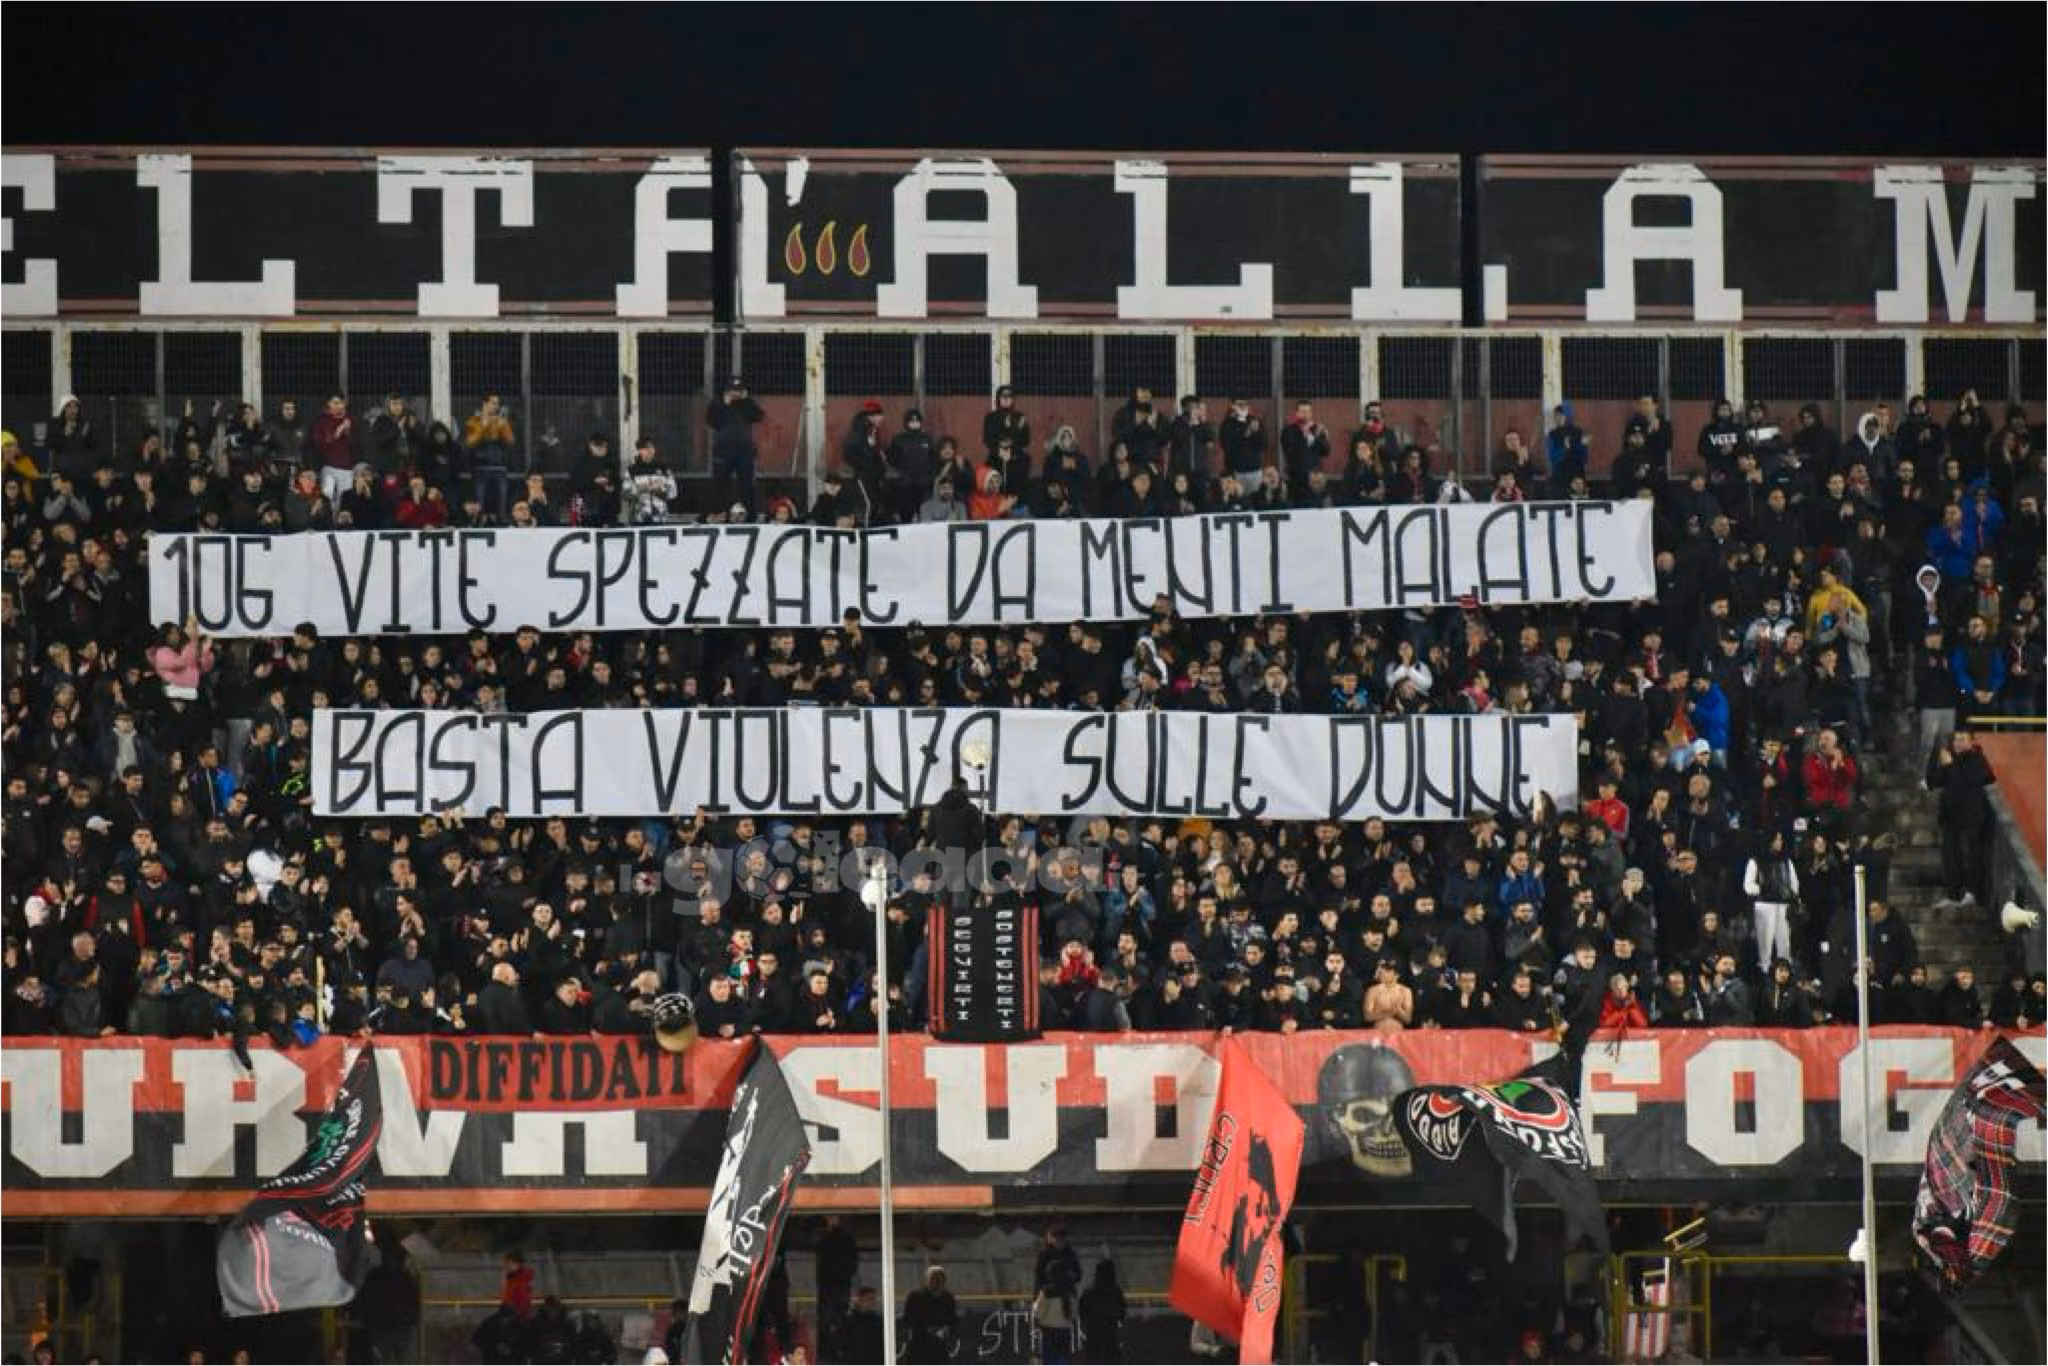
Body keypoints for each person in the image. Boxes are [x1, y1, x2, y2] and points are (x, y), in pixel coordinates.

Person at [707, 376, 765, 517]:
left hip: (744, 450)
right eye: (733, 391)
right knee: (720, 483)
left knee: (747, 484)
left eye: (738, 391)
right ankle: (719, 514)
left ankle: (749, 516)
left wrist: (746, 401)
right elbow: (712, 421)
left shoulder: (746, 404)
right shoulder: (718, 402)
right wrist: (724, 405)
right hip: (723, 450)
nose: (736, 394)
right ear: (727, 391)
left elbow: (758, 416)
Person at [464, 394, 516, 524]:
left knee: (502, 500)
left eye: (497, 403)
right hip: (481, 468)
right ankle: (477, 523)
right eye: (493, 403)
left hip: (500, 468)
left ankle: (502, 523)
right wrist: (483, 426)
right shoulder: (473, 421)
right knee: (479, 500)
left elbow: (511, 442)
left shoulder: (502, 421)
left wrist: (503, 426)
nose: (496, 406)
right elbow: (470, 443)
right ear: (485, 404)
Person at [901, 1266, 958, 1364]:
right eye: (934, 1278)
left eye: (940, 1279)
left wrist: (947, 1329)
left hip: (939, 1346)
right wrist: (928, 1329)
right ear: (927, 1280)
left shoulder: (948, 1298)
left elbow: (952, 1319)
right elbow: (908, 1319)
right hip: (919, 1346)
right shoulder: (915, 1296)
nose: (937, 1282)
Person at [1077, 1259, 1126, 1364]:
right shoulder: (1116, 1292)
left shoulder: (1089, 1291)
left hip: (1092, 1330)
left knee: (1093, 1358)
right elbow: (1121, 1312)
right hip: (1110, 1330)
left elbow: (1081, 1310)